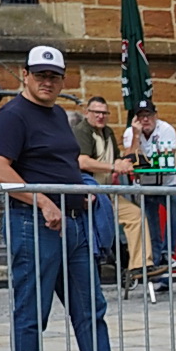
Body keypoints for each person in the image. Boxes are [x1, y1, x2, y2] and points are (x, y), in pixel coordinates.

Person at [0, 46, 153, 351]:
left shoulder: (59, 113)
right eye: (40, 74)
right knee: (31, 313)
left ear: (62, 79)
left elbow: (63, 161)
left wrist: (82, 185)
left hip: (74, 223)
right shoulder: (12, 115)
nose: (47, 81)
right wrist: (41, 200)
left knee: (90, 308)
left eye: (54, 76)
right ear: (24, 75)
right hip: (35, 224)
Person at [122, 100, 176, 274]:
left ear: (155, 115)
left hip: (168, 182)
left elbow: (166, 155)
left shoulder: (166, 129)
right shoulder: (130, 133)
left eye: (148, 115)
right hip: (143, 185)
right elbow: (129, 159)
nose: (145, 119)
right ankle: (156, 267)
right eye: (141, 116)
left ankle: (167, 252)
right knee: (150, 224)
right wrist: (136, 136)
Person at [69, 96, 120, 269]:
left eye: (104, 113)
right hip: (88, 193)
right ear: (87, 113)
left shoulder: (108, 132)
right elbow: (82, 162)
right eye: (96, 112)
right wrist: (112, 167)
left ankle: (139, 266)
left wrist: (135, 135)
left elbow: (120, 161)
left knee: (136, 215)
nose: (101, 116)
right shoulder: (82, 131)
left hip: (108, 192)